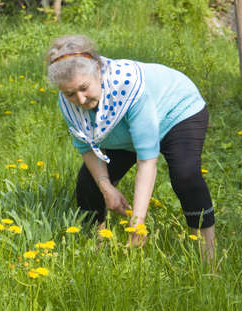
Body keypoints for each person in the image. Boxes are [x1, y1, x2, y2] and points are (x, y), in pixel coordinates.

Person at [46, 34, 215, 261]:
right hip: (123, 129)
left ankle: (208, 257)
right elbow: (86, 147)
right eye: (70, 93)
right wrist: (108, 190)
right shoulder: (68, 103)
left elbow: (147, 160)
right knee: (89, 184)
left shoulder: (127, 86)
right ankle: (96, 247)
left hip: (176, 112)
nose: (81, 99)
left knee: (185, 176)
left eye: (84, 88)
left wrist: (138, 222)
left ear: (97, 69)